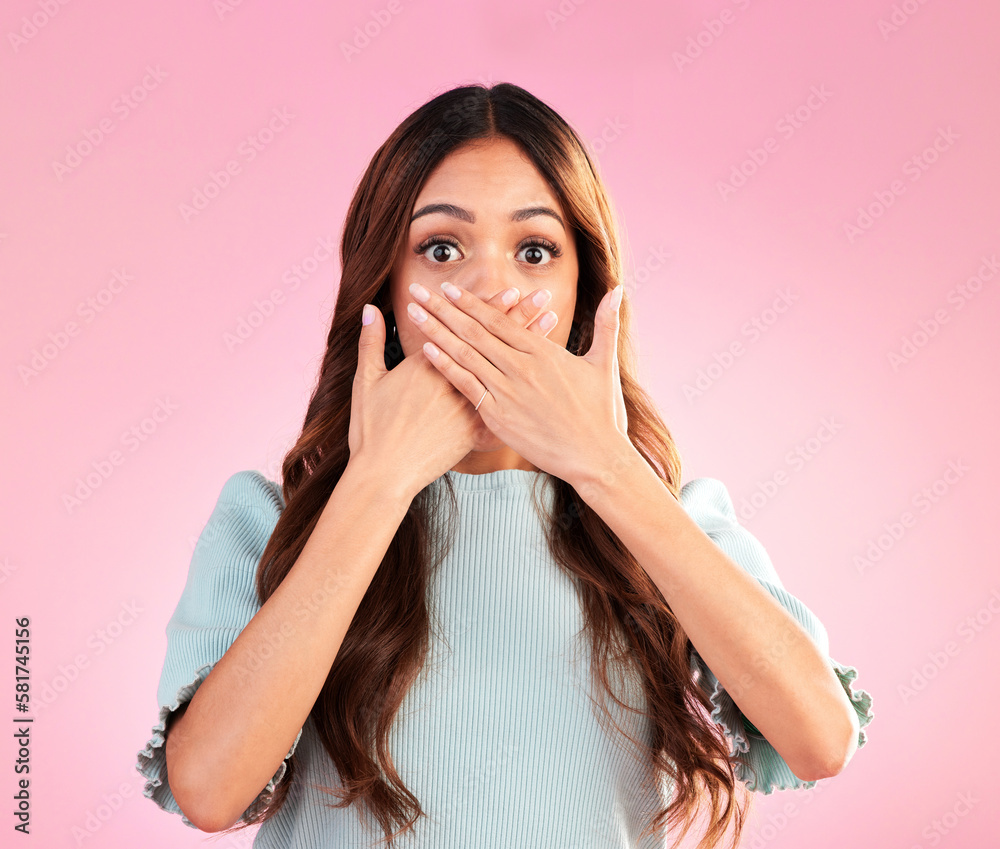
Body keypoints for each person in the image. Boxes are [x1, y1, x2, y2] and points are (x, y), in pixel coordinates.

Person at [136, 83, 873, 849]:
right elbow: (211, 789)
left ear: (583, 291)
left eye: (534, 251)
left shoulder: (670, 524)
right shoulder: (267, 521)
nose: (490, 291)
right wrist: (379, 483)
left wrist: (608, 470)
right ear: (384, 287)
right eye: (442, 249)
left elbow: (820, 739)